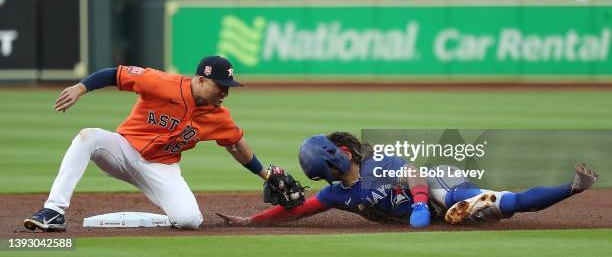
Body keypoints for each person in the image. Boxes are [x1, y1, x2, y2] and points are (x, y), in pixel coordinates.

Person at [24, 56, 281, 231]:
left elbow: (236, 145)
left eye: (229, 87)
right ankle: (53, 211)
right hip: (122, 152)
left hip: (161, 168)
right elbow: (116, 74)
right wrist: (81, 88)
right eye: (221, 86)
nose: (225, 92)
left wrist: (266, 175)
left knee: (189, 220)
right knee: (87, 137)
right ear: (200, 80)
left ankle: (165, 218)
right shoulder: (160, 83)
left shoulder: (219, 116)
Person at [216, 132, 599, 228]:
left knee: (504, 203)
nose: (323, 176)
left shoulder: (377, 162)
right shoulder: (335, 194)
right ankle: (468, 212)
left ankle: (572, 188)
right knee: (477, 215)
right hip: (426, 209)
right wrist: (251, 221)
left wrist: (418, 203)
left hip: (436, 184)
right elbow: (298, 211)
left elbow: (413, 173)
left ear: (341, 156)